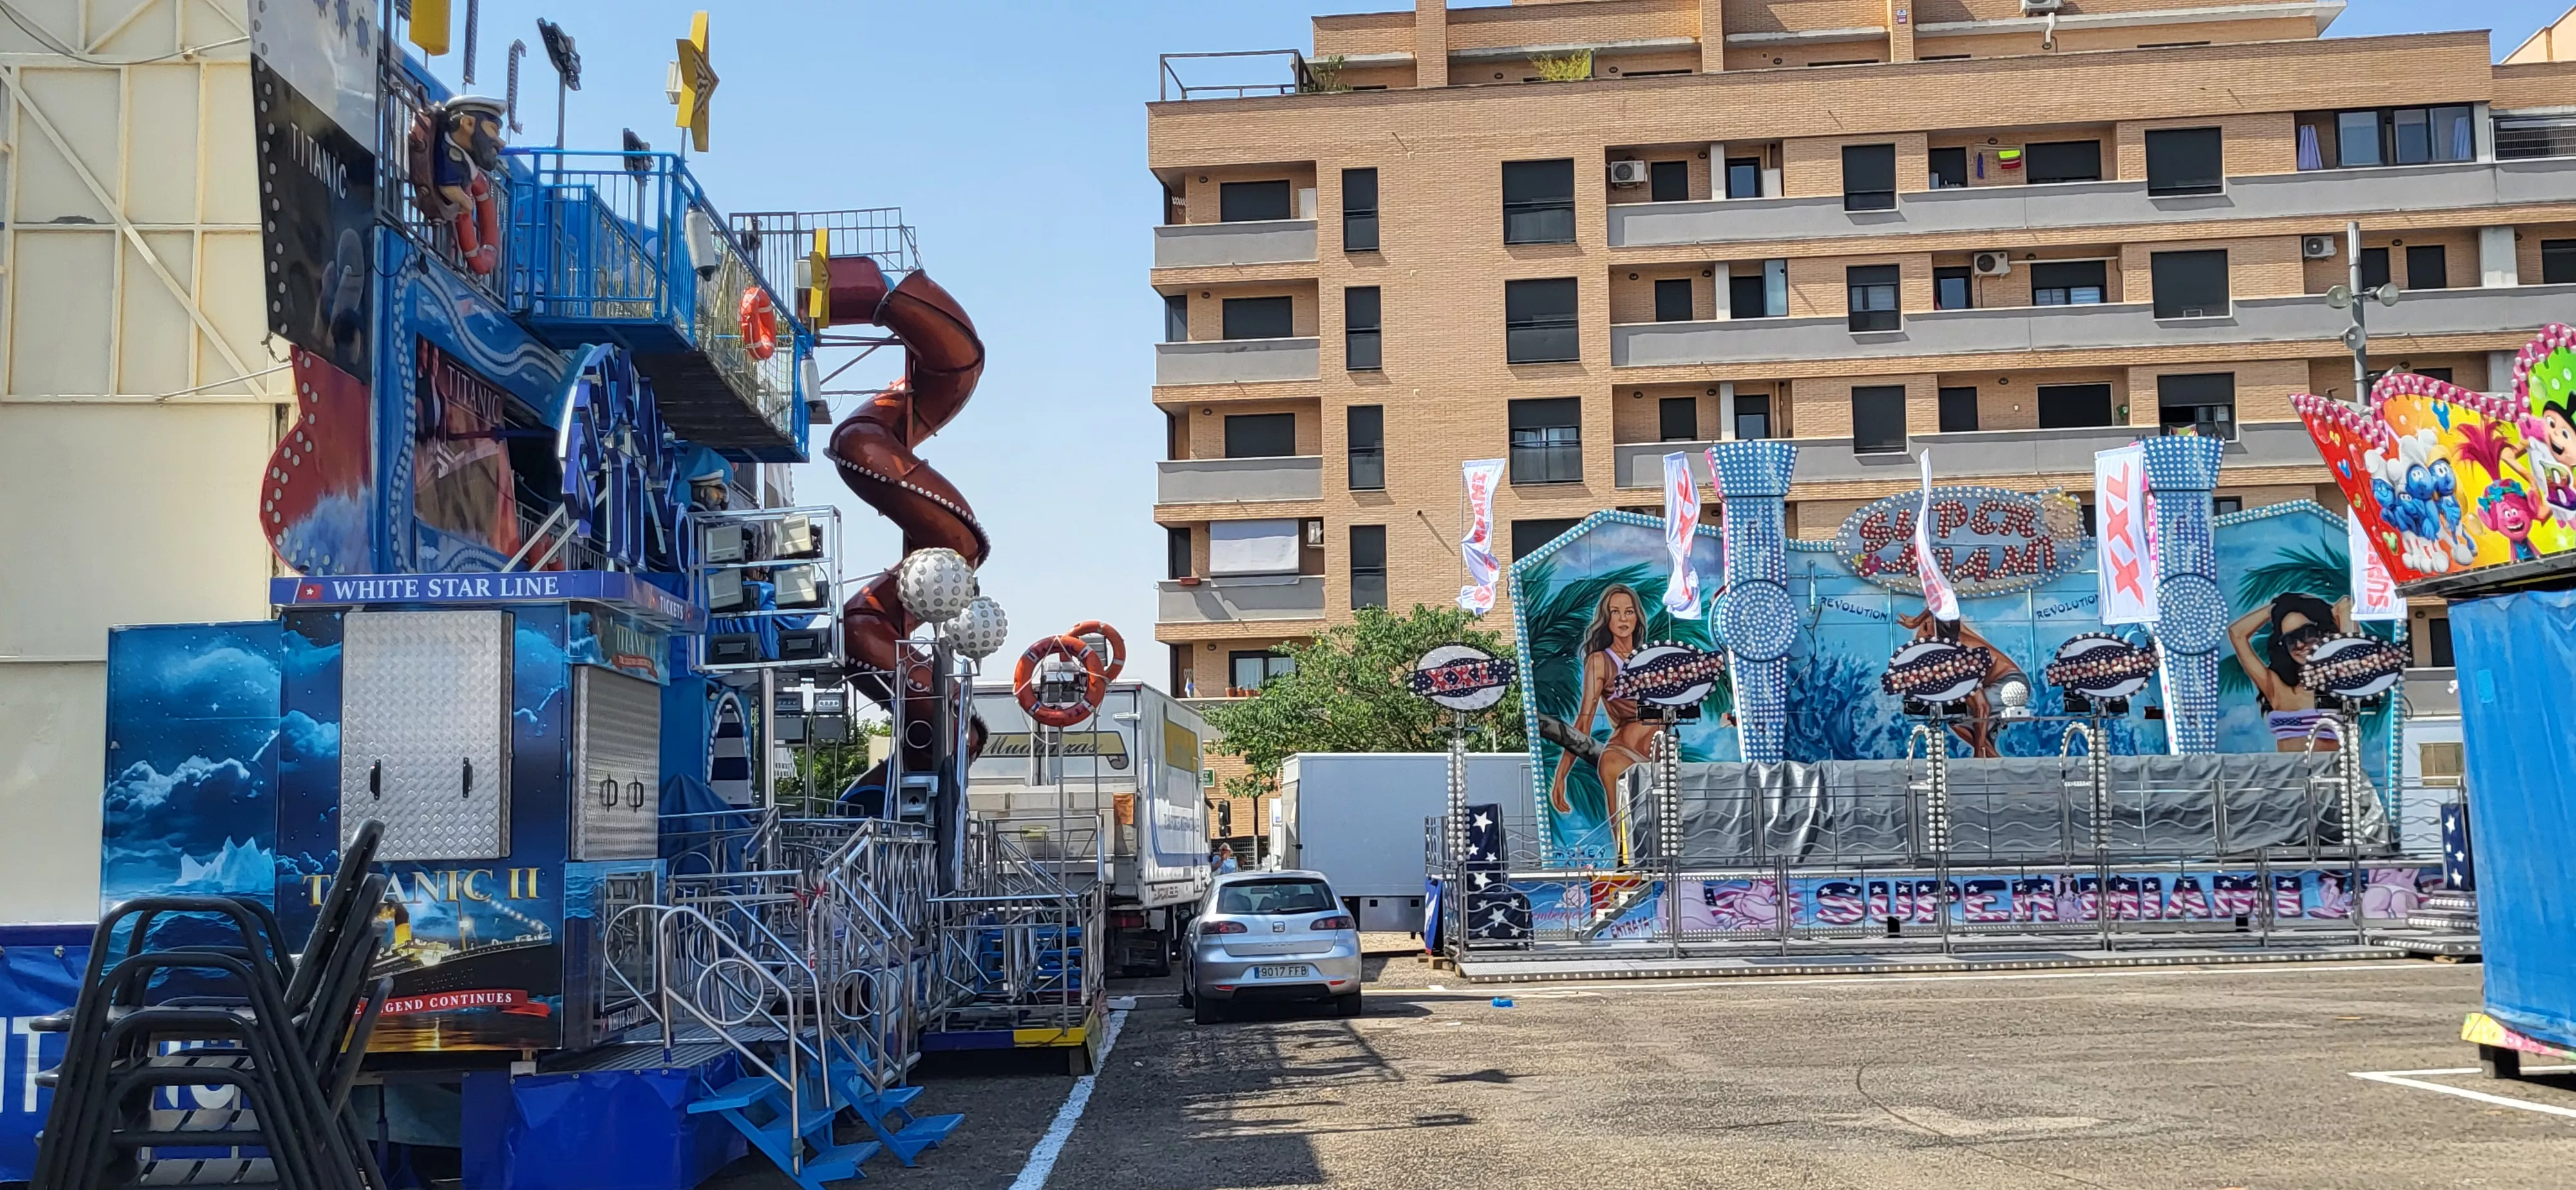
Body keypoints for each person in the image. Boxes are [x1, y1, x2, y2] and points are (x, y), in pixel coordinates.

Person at [1546, 585, 1659, 848]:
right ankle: (1628, 875)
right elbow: (1584, 719)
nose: (1623, 619)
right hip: (1622, 753)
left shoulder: (1652, 657)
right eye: (1615, 612)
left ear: (1637, 617)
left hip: (1659, 751)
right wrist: (1561, 775)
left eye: (1629, 612)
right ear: (1606, 619)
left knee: (1664, 830)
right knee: (1624, 838)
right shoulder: (1600, 661)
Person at [2227, 592, 2354, 751]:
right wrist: (2278, 608)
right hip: (2287, 774)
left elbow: (2345, 607)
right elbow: (2237, 633)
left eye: (2307, 634)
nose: (2300, 645)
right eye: (2291, 640)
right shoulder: (2276, 687)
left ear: (2323, 632)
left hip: (2328, 773)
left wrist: (2318, 609)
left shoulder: (2339, 677)